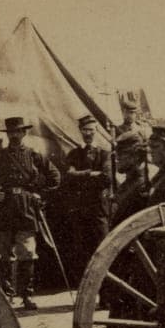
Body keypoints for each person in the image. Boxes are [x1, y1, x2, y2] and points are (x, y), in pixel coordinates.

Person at [0, 116, 61, 310]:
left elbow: (54, 176)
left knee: (27, 253)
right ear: (8, 135)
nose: (15, 135)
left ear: (24, 133)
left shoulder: (34, 155)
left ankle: (26, 296)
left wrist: (39, 195)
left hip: (25, 208)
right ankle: (5, 296)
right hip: (2, 209)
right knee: (2, 254)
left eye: (18, 132)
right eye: (11, 132)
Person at [59, 115, 112, 279]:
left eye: (91, 129)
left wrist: (79, 175)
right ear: (80, 131)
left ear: (96, 131)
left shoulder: (104, 154)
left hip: (98, 209)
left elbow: (106, 177)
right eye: (85, 130)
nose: (88, 133)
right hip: (80, 210)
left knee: (103, 248)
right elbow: (68, 177)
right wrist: (90, 173)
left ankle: (106, 292)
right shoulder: (74, 154)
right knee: (82, 250)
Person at [111, 133, 150, 225]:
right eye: (117, 153)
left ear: (136, 156)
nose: (116, 157)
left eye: (121, 153)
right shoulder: (128, 184)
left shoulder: (142, 188)